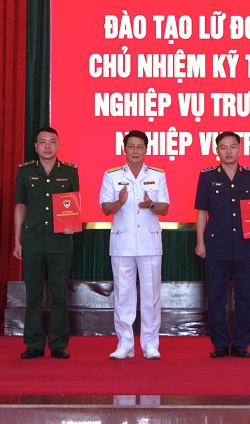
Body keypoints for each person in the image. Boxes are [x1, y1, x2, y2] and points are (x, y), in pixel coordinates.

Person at [100, 130, 170, 360]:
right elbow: (105, 208)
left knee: (151, 296)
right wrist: (119, 203)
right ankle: (125, 344)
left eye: (140, 147)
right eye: (131, 146)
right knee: (123, 296)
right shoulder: (112, 175)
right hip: (123, 243)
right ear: (124, 149)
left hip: (149, 243)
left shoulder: (158, 175)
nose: (135, 151)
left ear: (146, 149)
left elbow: (164, 208)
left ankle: (151, 345)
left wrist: (151, 205)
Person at [194, 131, 250, 359]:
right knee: (216, 297)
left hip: (244, 244)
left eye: (232, 146)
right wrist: (200, 242)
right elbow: (202, 212)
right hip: (216, 245)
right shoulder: (207, 177)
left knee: (245, 296)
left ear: (239, 148)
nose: (228, 151)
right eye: (223, 147)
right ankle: (221, 344)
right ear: (217, 151)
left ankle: (241, 343)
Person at [12, 127, 79, 359]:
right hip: (32, 240)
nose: (47, 146)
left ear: (58, 145)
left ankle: (59, 344)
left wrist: (72, 223)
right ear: (36, 146)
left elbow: (73, 204)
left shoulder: (69, 171)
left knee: (59, 295)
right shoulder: (26, 171)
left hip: (60, 241)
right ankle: (34, 343)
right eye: (43, 142)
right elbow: (20, 206)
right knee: (33, 295)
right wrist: (17, 240)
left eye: (52, 142)